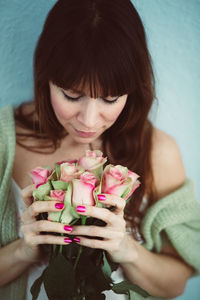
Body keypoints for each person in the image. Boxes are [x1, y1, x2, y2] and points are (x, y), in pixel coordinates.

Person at [0, 0, 200, 299]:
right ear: (46, 78)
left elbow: (176, 285)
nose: (89, 121)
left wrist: (127, 249)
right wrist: (23, 252)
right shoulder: (5, 142)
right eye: (71, 95)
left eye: (110, 99)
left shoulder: (158, 151)